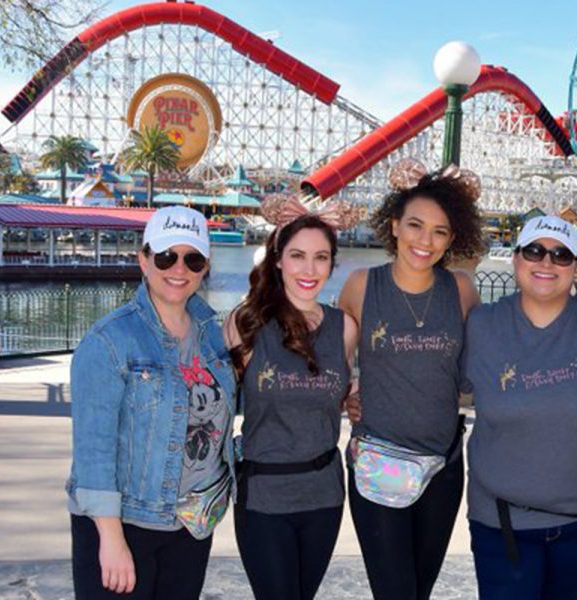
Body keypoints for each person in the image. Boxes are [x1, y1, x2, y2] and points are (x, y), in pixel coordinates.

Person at [461, 215, 577, 599]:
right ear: (515, 259)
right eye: (535, 251)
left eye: (562, 255)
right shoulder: (482, 325)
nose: (547, 263)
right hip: (503, 523)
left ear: (576, 266)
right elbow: (440, 388)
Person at [67, 206, 237, 599]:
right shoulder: (110, 340)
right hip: (126, 523)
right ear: (143, 259)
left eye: (192, 259)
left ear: (204, 266)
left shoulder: (214, 333)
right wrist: (111, 540)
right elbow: (94, 450)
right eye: (166, 256)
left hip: (192, 524)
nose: (179, 269)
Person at [339, 165, 485, 600]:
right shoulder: (363, 285)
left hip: (443, 465)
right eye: (416, 226)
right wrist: (349, 392)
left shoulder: (460, 289)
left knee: (420, 589)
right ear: (394, 226)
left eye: (440, 232)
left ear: (451, 239)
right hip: (379, 463)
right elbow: (332, 356)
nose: (425, 241)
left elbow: (482, 364)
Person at [223, 202, 359, 600]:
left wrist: (353, 394)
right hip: (264, 495)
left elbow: (334, 390)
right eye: (297, 256)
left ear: (333, 264)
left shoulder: (343, 328)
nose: (309, 269)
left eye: (321, 258)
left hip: (324, 493)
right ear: (278, 260)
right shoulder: (245, 324)